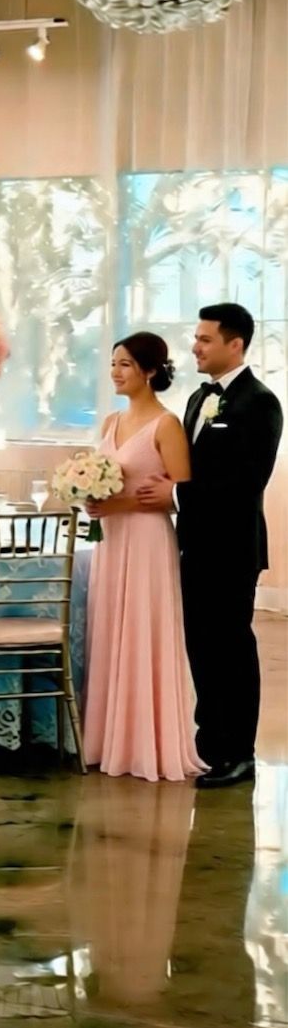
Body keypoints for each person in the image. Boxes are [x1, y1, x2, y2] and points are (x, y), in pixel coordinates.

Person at [136, 303, 283, 789]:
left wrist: (175, 495)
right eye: (196, 338)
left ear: (235, 344)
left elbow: (244, 482)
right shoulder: (200, 399)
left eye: (204, 339)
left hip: (233, 548)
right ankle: (208, 740)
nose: (195, 347)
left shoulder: (260, 403)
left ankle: (239, 753)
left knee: (232, 647)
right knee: (201, 645)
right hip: (194, 545)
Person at [82, 333, 203, 782]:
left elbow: (179, 494)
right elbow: (107, 481)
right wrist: (90, 498)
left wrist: (124, 504)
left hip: (148, 541)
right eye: (114, 363)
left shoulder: (166, 424)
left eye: (126, 364)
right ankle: (108, 738)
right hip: (111, 540)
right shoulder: (111, 422)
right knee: (112, 629)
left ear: (150, 371)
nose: (116, 371)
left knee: (142, 632)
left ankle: (146, 744)